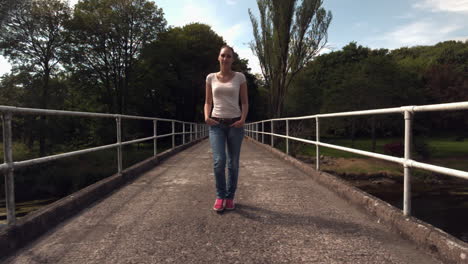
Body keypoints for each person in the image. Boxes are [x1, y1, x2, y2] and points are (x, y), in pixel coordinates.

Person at [204, 45, 249, 212]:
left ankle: (230, 197)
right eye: (223, 55)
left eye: (229, 56)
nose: (225, 59)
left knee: (233, 163)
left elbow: (244, 102)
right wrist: (206, 116)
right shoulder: (210, 78)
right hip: (216, 124)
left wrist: (243, 119)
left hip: (235, 124)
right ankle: (220, 195)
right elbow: (208, 101)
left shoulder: (240, 77)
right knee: (219, 161)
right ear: (218, 57)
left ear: (233, 59)